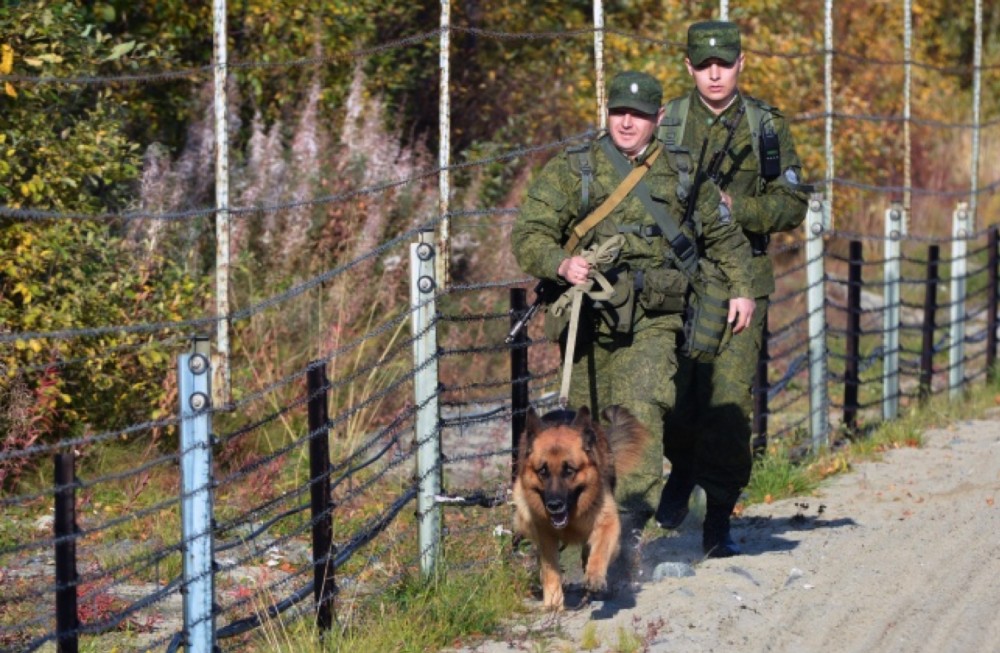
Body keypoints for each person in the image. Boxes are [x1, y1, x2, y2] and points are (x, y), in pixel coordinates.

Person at [511, 70, 756, 529]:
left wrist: (741, 288)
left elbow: (723, 236)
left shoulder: (681, 171)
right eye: (619, 112)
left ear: (659, 117)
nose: (627, 123)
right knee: (585, 437)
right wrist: (561, 264)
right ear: (606, 113)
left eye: (639, 115)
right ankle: (575, 538)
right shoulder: (575, 167)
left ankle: (628, 530)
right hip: (588, 319)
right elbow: (529, 232)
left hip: (653, 319)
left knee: (640, 412)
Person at [657, 21, 812, 557]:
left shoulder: (765, 126)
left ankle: (718, 518)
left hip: (744, 279)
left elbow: (793, 203)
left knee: (728, 401)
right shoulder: (667, 121)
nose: (715, 73)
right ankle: (681, 470)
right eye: (704, 64)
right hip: (677, 279)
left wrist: (735, 208)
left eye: (724, 62)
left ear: (742, 62)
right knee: (676, 393)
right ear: (689, 67)